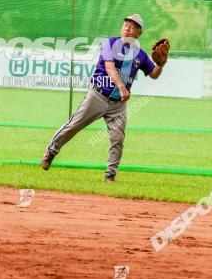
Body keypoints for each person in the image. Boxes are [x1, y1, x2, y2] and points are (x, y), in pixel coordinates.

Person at [40, 14, 168, 182]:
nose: (127, 27)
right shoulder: (110, 44)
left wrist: (161, 65)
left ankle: (110, 175)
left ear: (139, 32)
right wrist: (122, 87)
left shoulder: (141, 55)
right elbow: (110, 68)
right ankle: (51, 152)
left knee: (118, 138)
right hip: (98, 95)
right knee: (73, 126)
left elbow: (154, 75)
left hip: (118, 104)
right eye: (125, 24)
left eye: (132, 25)